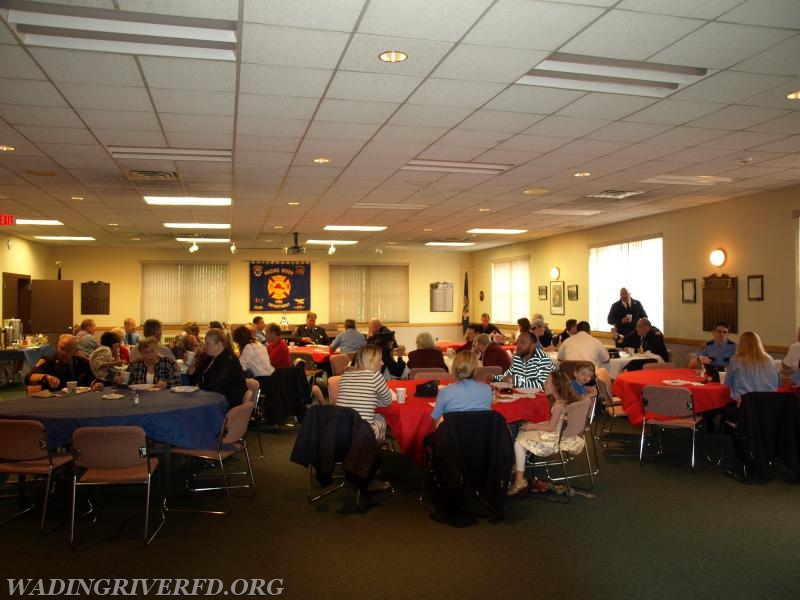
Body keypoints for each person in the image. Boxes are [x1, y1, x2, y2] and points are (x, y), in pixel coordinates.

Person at [507, 371, 581, 495]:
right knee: (523, 431)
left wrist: (532, 426)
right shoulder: (563, 401)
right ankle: (519, 465)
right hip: (560, 432)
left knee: (518, 442)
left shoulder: (558, 405)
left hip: (554, 438)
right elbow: (555, 423)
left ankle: (519, 478)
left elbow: (551, 428)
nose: (544, 384)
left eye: (547, 382)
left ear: (555, 386)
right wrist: (533, 426)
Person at [336, 345, 393, 441]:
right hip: (362, 433)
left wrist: (371, 400)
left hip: (338, 429)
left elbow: (354, 398)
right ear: (371, 361)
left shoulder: (346, 374)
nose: (382, 363)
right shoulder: (375, 376)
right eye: (380, 360)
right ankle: (374, 449)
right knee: (381, 418)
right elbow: (388, 401)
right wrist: (375, 401)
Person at [189, 328, 247, 408]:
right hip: (211, 398)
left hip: (227, 404)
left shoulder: (229, 360)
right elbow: (199, 380)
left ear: (219, 344)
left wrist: (197, 387)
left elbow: (215, 386)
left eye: (207, 343)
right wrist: (191, 370)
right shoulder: (209, 357)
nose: (204, 346)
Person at [430, 351, 492, 424]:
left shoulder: (445, 392)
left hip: (452, 434)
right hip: (481, 434)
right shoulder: (487, 389)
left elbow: (436, 419)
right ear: (475, 369)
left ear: (454, 368)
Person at [26, 334, 102, 392]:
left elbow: (91, 378)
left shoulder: (82, 362)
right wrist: (46, 377)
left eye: (66, 350)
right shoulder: (48, 360)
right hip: (54, 399)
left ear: (75, 351)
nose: (61, 352)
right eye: (60, 348)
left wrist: (96, 384)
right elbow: (28, 378)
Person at [724, 331, 780, 405]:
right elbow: (778, 383)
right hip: (767, 404)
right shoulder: (769, 359)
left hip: (744, 404)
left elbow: (727, 384)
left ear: (741, 344)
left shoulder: (736, 360)